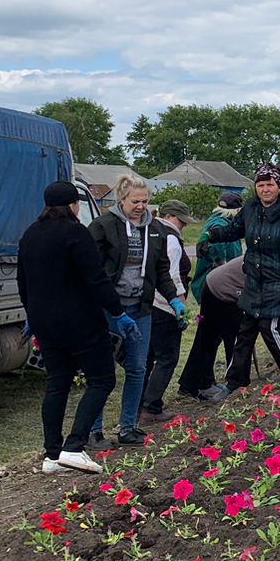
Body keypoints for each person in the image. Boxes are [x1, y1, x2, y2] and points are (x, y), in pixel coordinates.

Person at [16, 180, 126, 476]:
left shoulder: (30, 235)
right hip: (80, 322)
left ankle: (52, 455)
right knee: (102, 379)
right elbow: (95, 278)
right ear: (73, 205)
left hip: (44, 324)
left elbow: (23, 282)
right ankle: (74, 446)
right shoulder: (76, 233)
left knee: (57, 383)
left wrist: (32, 315)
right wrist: (118, 312)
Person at [197, 163, 280, 401]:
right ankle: (235, 381)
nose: (265, 189)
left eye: (269, 184)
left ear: (278, 186)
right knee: (246, 330)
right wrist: (210, 237)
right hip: (255, 278)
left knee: (270, 325)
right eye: (260, 185)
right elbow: (235, 230)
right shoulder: (251, 208)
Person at [85, 174, 181, 444]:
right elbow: (90, 267)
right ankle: (94, 429)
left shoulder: (155, 230)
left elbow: (161, 271)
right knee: (103, 371)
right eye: (135, 201)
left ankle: (128, 426)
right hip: (109, 310)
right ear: (122, 200)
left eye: (145, 201)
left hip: (141, 309)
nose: (141, 206)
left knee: (138, 368)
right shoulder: (103, 226)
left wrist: (173, 298)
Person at [178, 253, 280, 399]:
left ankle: (195, 384)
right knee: (235, 338)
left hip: (215, 282)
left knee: (209, 338)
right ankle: (230, 385)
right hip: (223, 289)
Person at [140, 200, 194, 426]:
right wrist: (179, 307)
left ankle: (137, 405)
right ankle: (151, 407)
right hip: (164, 305)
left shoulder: (150, 231)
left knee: (148, 358)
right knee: (167, 358)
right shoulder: (170, 238)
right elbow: (172, 276)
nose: (183, 225)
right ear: (169, 215)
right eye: (181, 221)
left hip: (147, 304)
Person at [190, 191, 243, 300]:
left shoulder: (215, 220)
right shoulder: (220, 225)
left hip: (210, 283)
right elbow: (219, 261)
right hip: (217, 287)